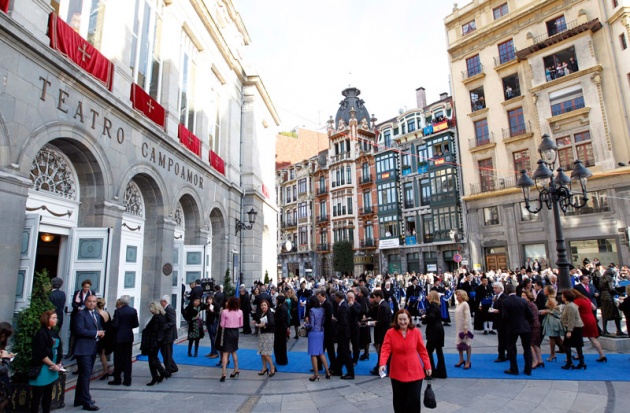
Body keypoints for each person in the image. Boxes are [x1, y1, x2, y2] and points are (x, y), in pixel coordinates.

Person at [379, 309, 432, 413]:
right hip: (397, 372)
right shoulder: (390, 333)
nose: (402, 322)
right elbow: (385, 349)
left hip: (415, 372)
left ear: (409, 319)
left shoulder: (416, 332)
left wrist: (427, 366)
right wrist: (382, 363)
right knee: (399, 401)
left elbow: (422, 350)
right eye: (400, 319)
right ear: (396, 320)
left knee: (414, 400)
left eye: (405, 319)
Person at [71, 294, 104, 411]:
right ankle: (86, 401)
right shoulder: (80, 314)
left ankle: (79, 398)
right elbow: (79, 330)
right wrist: (96, 333)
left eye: (94, 302)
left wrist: (100, 332)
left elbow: (98, 326)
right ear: (85, 302)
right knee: (85, 375)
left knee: (85, 374)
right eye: (89, 301)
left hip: (92, 347)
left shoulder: (96, 314)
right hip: (83, 349)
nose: (92, 303)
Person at [29, 311, 63, 413]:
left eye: (56, 318)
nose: (55, 320)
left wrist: (58, 363)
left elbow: (59, 348)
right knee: (37, 395)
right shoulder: (41, 333)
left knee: (48, 395)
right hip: (42, 367)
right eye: (53, 318)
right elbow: (41, 353)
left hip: (53, 367)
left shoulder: (54, 332)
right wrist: (53, 364)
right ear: (46, 319)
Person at [501, 284, 533, 376]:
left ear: (506, 291)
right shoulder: (523, 301)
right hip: (525, 326)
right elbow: (530, 314)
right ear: (515, 291)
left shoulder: (505, 301)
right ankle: (528, 369)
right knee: (527, 348)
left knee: (511, 348)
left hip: (512, 327)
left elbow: (505, 316)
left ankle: (514, 368)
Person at [108, 295, 139, 386]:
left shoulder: (118, 311)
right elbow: (136, 324)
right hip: (128, 336)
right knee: (127, 359)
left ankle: (117, 379)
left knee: (118, 359)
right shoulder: (133, 311)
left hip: (119, 337)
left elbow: (115, 325)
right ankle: (127, 380)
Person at [571, 289, 607, 362]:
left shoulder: (577, 301)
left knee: (578, 337)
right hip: (591, 318)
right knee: (592, 337)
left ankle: (579, 354)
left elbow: (573, 311)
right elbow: (594, 307)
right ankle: (602, 355)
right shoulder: (586, 299)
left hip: (583, 319)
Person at [143, 301, 169, 386]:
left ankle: (159, 374)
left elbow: (153, 330)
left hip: (154, 341)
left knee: (152, 359)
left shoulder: (156, 318)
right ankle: (160, 374)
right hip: (159, 340)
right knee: (154, 358)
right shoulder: (163, 316)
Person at [422, 291, 446, 378]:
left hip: (434, 331)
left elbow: (431, 317)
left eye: (428, 295)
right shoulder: (436, 306)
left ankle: (430, 372)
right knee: (439, 351)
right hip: (439, 330)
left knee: (428, 351)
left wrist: (425, 317)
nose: (427, 296)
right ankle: (441, 372)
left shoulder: (432, 306)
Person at [305, 297, 330, 381]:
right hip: (321, 332)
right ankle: (327, 371)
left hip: (313, 333)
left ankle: (316, 374)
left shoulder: (311, 310)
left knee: (313, 354)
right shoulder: (322, 309)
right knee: (321, 352)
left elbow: (311, 324)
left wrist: (305, 324)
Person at [218, 297, 243, 382]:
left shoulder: (225, 312)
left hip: (227, 332)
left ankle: (224, 373)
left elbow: (222, 324)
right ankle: (236, 368)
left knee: (225, 352)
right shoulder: (240, 312)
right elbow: (241, 324)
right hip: (236, 332)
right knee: (233, 351)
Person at [69, 280, 94, 358]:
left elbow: (93, 303)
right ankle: (70, 352)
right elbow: (73, 303)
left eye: (88, 287)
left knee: (80, 333)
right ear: (82, 286)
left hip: (85, 315)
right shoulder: (77, 292)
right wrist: (78, 307)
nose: (86, 288)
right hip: (77, 314)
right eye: (85, 287)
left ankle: (76, 352)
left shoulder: (91, 293)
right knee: (73, 333)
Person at [560, 290, 585, 370]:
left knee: (567, 345)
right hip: (576, 327)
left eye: (562, 295)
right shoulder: (570, 305)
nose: (561, 297)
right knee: (578, 346)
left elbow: (571, 319)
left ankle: (570, 362)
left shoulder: (570, 306)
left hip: (574, 328)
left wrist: (569, 331)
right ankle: (581, 362)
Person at [369, 289, 391, 375]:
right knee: (383, 350)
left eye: (375, 297)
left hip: (383, 331)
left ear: (378, 297)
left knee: (383, 350)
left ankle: (381, 368)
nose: (374, 299)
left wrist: (375, 323)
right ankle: (379, 367)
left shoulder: (382, 306)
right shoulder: (384, 304)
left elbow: (383, 321)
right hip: (384, 330)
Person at [333, 291, 355, 380]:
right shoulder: (343, 305)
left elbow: (344, 322)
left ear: (338, 297)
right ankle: (338, 370)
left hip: (343, 333)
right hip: (342, 333)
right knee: (340, 352)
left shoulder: (344, 306)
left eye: (335, 297)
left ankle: (350, 372)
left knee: (345, 353)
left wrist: (337, 324)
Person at [540, 287, 565, 362]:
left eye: (545, 290)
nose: (544, 291)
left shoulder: (551, 300)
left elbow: (556, 311)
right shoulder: (550, 299)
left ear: (548, 291)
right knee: (556, 338)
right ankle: (562, 352)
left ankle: (553, 354)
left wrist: (547, 311)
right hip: (550, 319)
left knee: (553, 337)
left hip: (553, 320)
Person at [254, 300, 276, 377]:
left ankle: (272, 367)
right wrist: (257, 323)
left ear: (268, 306)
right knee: (262, 352)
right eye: (262, 305)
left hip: (268, 334)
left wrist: (264, 325)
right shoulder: (262, 313)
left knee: (266, 353)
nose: (263, 306)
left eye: (264, 305)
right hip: (262, 334)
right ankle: (264, 367)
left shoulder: (270, 313)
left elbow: (272, 323)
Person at [522, 291, 543, 369]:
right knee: (535, 344)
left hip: (532, 326)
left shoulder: (529, 305)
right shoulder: (533, 304)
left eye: (524, 296)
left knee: (530, 344)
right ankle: (540, 360)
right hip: (536, 325)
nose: (522, 297)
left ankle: (535, 361)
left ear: (528, 297)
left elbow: (531, 317)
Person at [600, 267, 623, 335]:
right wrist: (619, 293)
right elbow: (611, 288)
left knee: (604, 313)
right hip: (609, 297)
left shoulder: (601, 278)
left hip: (603, 296)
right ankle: (619, 330)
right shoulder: (610, 278)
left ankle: (604, 330)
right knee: (617, 313)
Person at [454, 290, 473, 370]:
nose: (457, 297)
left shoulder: (465, 304)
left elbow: (467, 316)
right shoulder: (458, 304)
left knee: (467, 344)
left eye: (459, 295)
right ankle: (461, 359)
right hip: (459, 326)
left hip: (465, 326)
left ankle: (468, 361)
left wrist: (465, 328)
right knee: (459, 344)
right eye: (457, 295)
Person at [159, 295, 178, 374]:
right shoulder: (167, 308)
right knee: (166, 352)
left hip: (169, 335)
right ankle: (172, 366)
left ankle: (169, 369)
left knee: (167, 352)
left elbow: (172, 321)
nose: (160, 303)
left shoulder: (169, 308)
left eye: (161, 302)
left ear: (164, 302)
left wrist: (163, 326)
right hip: (168, 335)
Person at [95, 298, 113, 381]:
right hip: (107, 335)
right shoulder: (106, 313)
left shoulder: (98, 314)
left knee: (102, 354)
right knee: (103, 354)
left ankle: (105, 371)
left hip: (101, 336)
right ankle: (105, 370)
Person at [490, 282, 508, 362]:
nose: (494, 289)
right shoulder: (497, 297)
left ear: (501, 288)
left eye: (495, 288)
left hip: (503, 321)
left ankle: (502, 355)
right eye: (493, 288)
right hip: (498, 320)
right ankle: (506, 354)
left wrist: (498, 311)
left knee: (502, 339)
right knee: (502, 338)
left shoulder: (504, 297)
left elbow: (506, 309)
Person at [0, 323, 15, 413]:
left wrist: (7, 356)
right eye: (3, 334)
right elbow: (3, 369)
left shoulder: (2, 343)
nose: (3, 337)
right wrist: (6, 359)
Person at [273, 295, 289, 366]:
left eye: (276, 300)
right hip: (281, 328)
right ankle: (281, 359)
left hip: (280, 328)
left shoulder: (281, 308)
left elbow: (281, 319)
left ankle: (281, 359)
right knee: (280, 344)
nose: (276, 301)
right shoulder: (282, 307)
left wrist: (274, 317)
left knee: (280, 344)